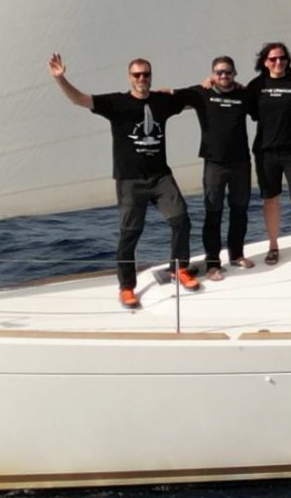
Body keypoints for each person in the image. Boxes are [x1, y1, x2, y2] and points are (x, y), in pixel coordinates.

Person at [47, 53, 201, 310]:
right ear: (130, 77)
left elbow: (192, 99)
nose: (142, 78)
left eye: (146, 74)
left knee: (181, 220)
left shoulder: (162, 101)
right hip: (130, 180)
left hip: (160, 177)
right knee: (130, 233)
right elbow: (79, 99)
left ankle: (179, 269)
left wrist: (210, 83)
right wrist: (60, 79)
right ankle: (127, 287)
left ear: (151, 77)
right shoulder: (116, 103)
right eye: (137, 74)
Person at [178, 56, 254, 279]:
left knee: (240, 210)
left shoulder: (243, 94)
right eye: (219, 72)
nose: (224, 76)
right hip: (214, 164)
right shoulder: (201, 93)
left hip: (241, 162)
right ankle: (212, 262)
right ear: (212, 74)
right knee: (214, 212)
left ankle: (236, 254)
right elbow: (170, 95)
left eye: (228, 72)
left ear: (235, 73)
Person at [245, 41, 291, 266]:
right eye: (273, 59)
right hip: (266, 152)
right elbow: (245, 107)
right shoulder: (256, 86)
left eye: (282, 58)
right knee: (271, 200)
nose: (278, 62)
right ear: (264, 62)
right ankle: (273, 246)